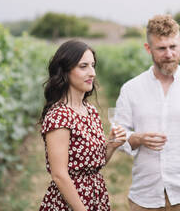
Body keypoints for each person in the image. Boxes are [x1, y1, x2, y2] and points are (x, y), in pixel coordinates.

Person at [114, 14, 180, 210]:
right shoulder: (131, 89)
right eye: (162, 48)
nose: (169, 54)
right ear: (148, 49)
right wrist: (138, 138)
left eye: (173, 47)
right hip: (144, 197)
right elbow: (118, 137)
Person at [39, 40, 126, 211]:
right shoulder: (59, 116)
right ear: (65, 71)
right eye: (83, 66)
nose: (92, 73)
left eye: (93, 65)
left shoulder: (90, 111)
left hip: (95, 197)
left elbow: (93, 166)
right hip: (70, 203)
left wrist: (112, 146)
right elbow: (59, 175)